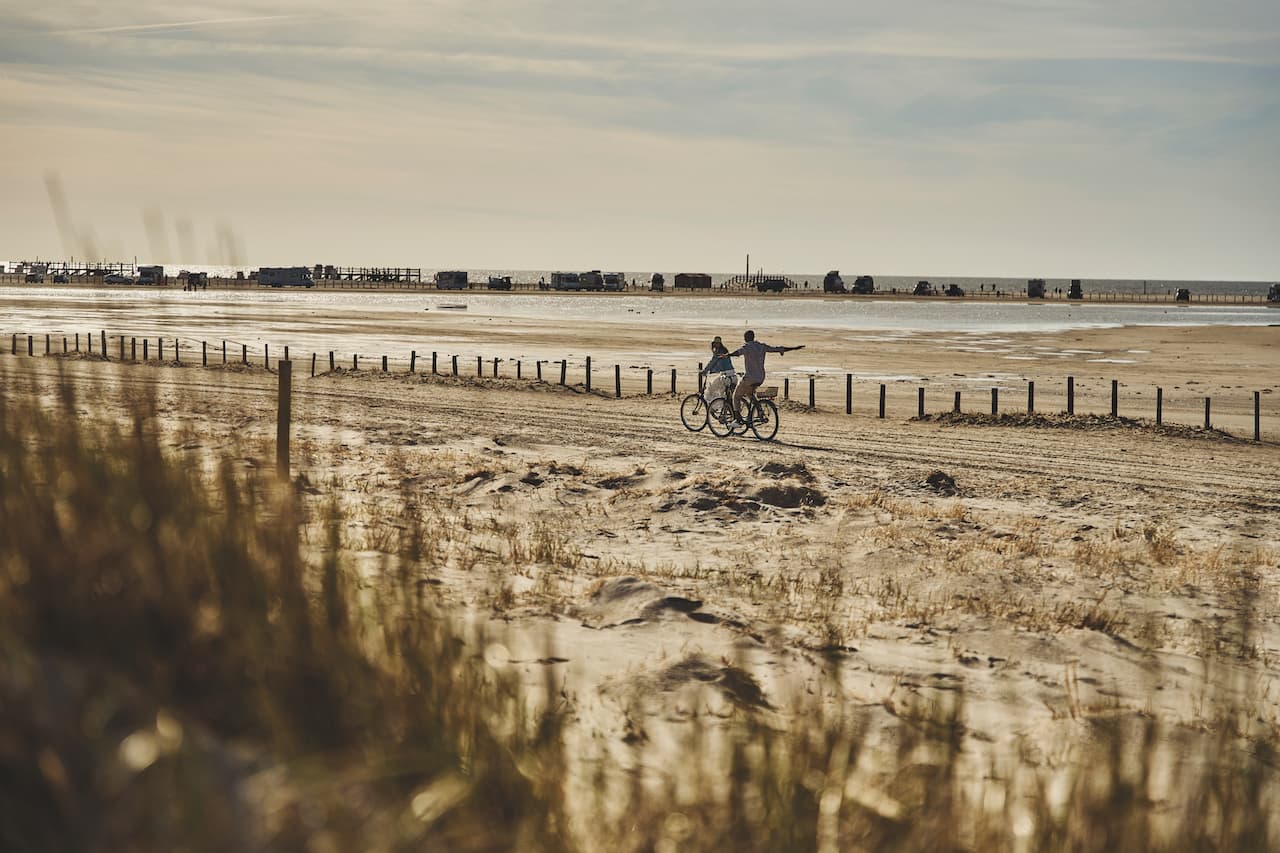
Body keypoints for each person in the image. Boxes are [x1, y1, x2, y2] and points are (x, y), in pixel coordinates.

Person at [729, 330, 803, 419]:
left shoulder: (747, 347)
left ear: (745, 338)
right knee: (750, 394)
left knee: (736, 396)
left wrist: (727, 355)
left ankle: (737, 419)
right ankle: (760, 412)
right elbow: (776, 348)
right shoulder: (762, 346)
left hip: (750, 378)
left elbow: (737, 352)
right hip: (760, 378)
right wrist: (794, 348)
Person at [698, 336, 736, 403]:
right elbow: (719, 365)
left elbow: (712, 362)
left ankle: (714, 407)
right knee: (722, 393)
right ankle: (724, 408)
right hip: (732, 374)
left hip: (726, 375)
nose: (716, 344)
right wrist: (711, 371)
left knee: (710, 390)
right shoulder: (724, 350)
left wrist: (705, 371)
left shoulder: (719, 352)